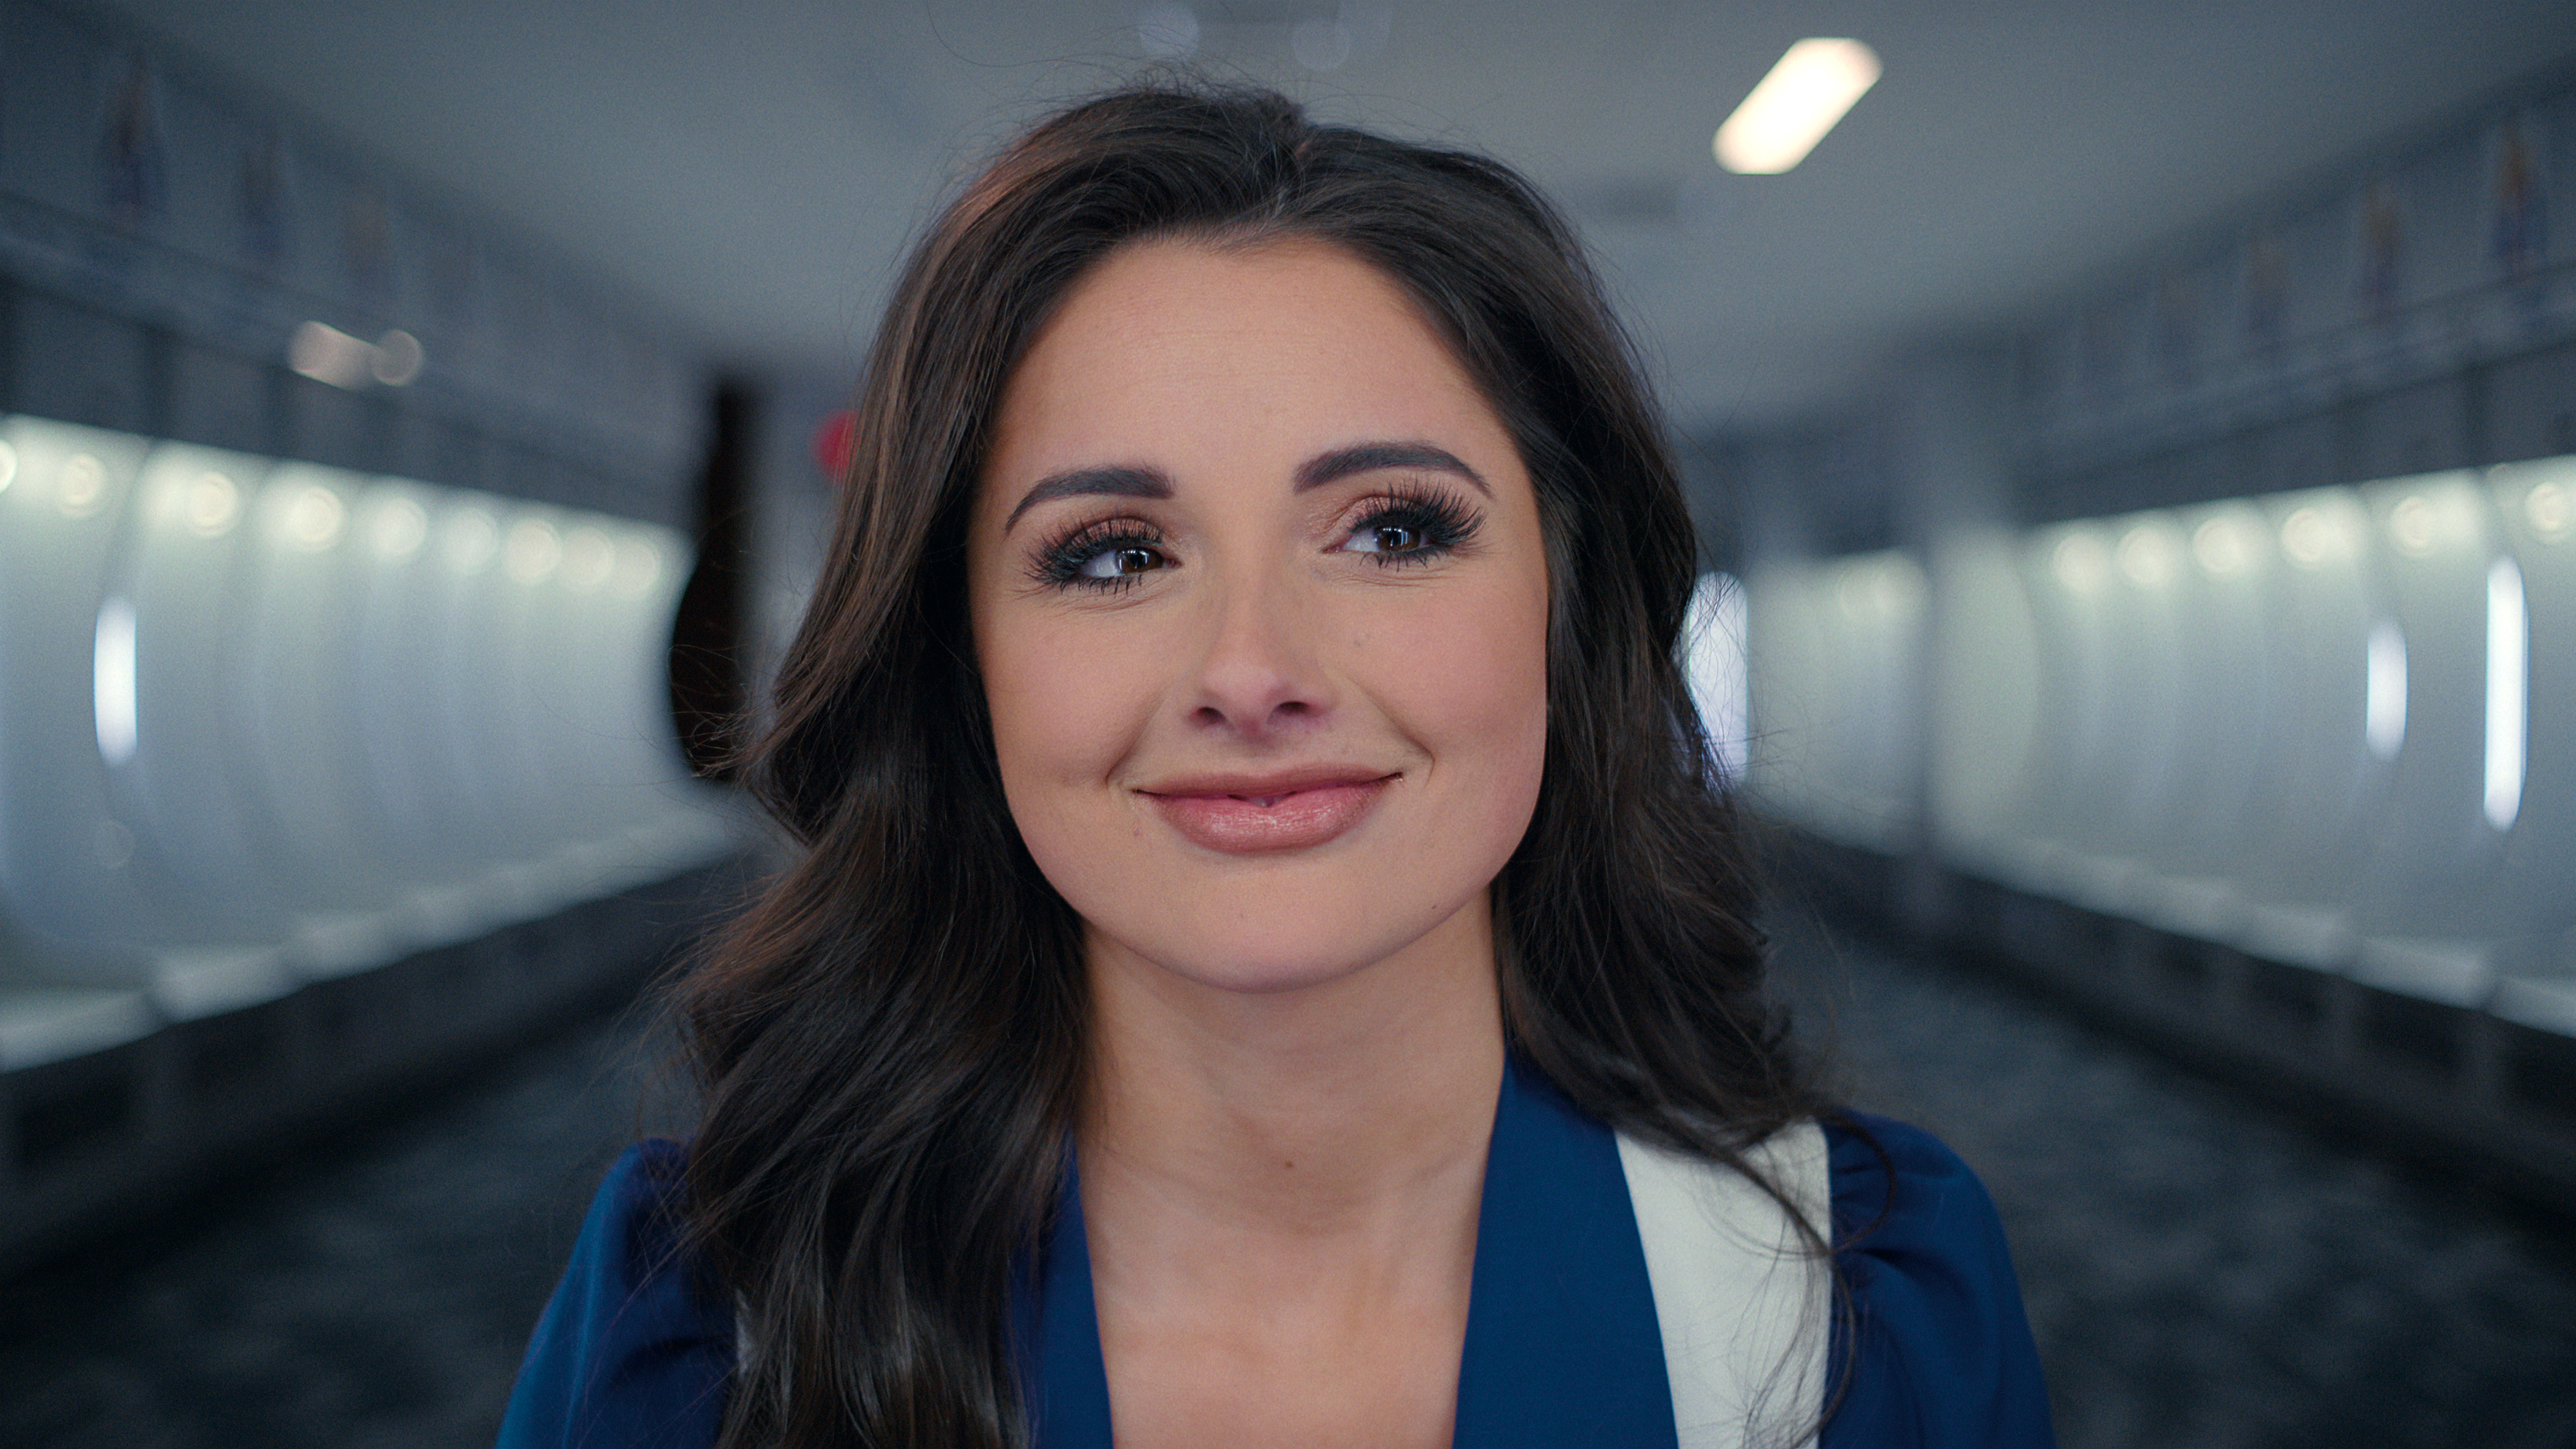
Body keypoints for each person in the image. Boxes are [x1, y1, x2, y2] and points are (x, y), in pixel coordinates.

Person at [497, 82, 2053, 1449]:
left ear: (1566, 615)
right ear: (961, 657)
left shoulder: (1870, 1304)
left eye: (1393, 530)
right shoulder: (706, 1312)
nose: (1253, 673)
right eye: (1112, 555)